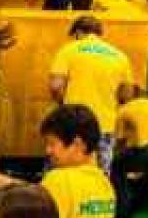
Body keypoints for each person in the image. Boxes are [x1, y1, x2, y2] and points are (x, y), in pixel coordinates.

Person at [48, 15, 135, 168]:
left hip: (72, 123)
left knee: (64, 171)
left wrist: (62, 104)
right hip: (105, 124)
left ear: (77, 33)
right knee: (101, 175)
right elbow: (127, 94)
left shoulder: (69, 50)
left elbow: (56, 86)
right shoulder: (120, 56)